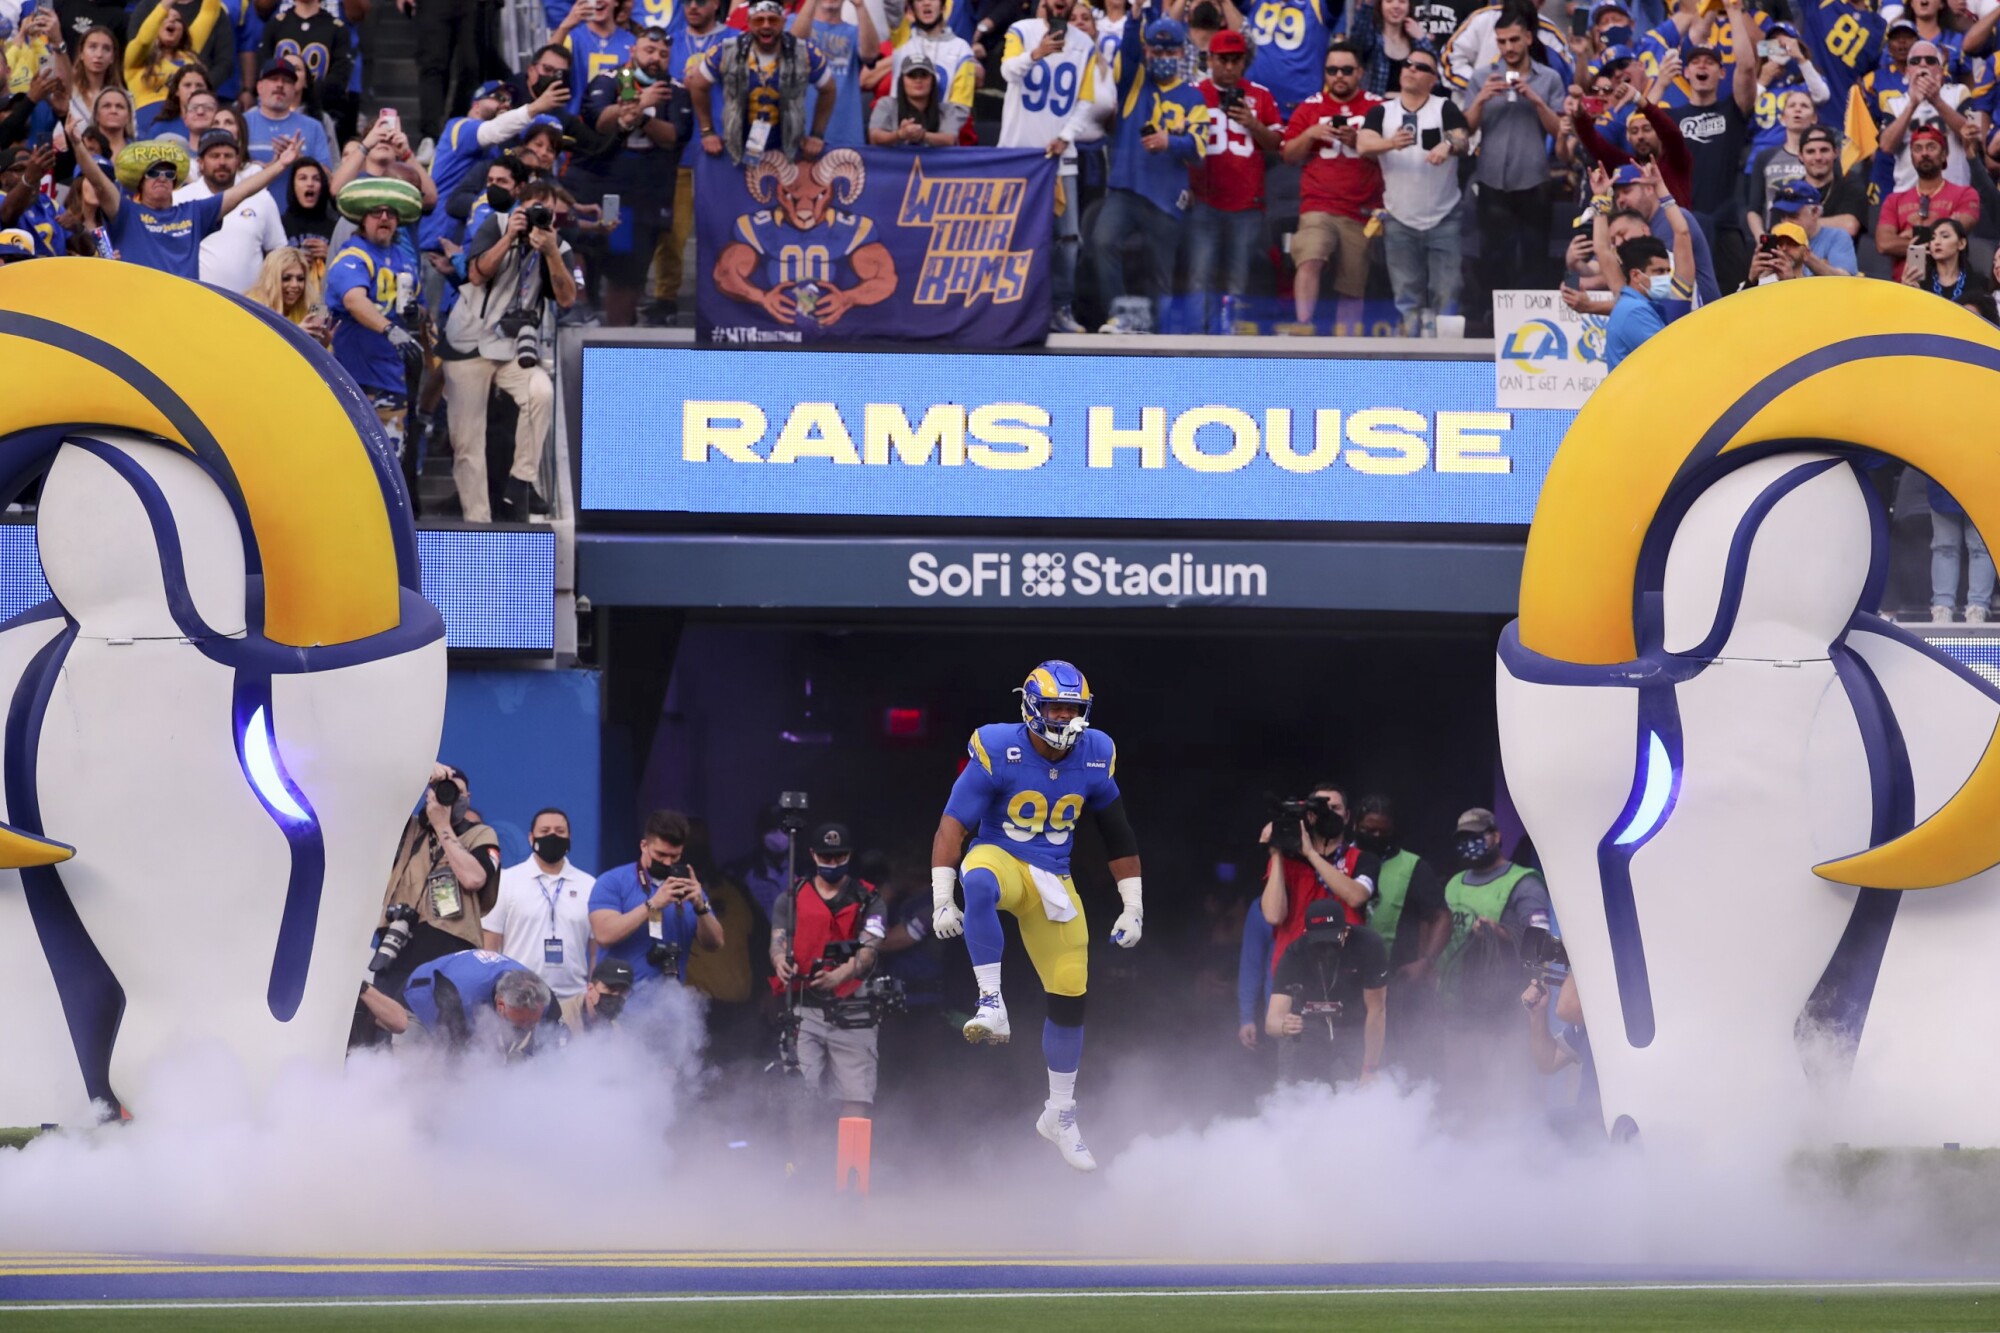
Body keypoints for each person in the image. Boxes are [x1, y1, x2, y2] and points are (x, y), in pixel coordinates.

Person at [929, 660, 1144, 1172]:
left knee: (1071, 989)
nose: (1065, 718)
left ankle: (1060, 1114)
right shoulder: (997, 745)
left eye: (1073, 709)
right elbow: (953, 825)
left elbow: (1117, 831)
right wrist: (941, 897)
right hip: (1002, 858)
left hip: (1054, 878)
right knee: (978, 879)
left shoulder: (1096, 752)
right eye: (1055, 707)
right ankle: (990, 1001)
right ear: (1030, 706)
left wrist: (1133, 905)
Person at [438, 176, 577, 521]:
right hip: (468, 343)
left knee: (540, 392)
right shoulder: (496, 225)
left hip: (513, 348)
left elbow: (567, 299)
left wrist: (550, 252)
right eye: (532, 210)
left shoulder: (557, 247)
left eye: (547, 213)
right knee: (467, 441)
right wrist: (510, 237)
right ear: (518, 208)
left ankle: (522, 479)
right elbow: (476, 274)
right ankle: (478, 521)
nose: (538, 219)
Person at [356, 762, 505, 1039]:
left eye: (456, 792)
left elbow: (473, 878)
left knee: (441, 1035)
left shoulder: (480, 834)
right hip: (398, 943)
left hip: (450, 946)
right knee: (387, 1029)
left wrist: (442, 826)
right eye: (440, 790)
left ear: (468, 798)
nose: (448, 798)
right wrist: (419, 770)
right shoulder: (408, 828)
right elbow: (374, 794)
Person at [1089, 15, 1206, 334]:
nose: (1163, 57)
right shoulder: (1133, 81)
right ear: (1147, 51)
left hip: (1166, 195)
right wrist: (1136, 15)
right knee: (1102, 242)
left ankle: (1160, 333)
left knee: (1161, 273)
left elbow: (1200, 148)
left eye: (1170, 52)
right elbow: (1128, 51)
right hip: (1125, 190)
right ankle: (1120, 316)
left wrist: (1171, 142)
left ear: (1181, 53)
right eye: (1156, 51)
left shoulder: (1194, 97)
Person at [1000, 0, 1105, 333]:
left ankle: (1060, 308)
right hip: (1019, 155)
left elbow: (1086, 101)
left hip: (1061, 157)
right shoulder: (1021, 31)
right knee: (1015, 236)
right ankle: (1012, 309)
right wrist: (1036, 53)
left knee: (1069, 237)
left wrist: (1065, 136)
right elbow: (1006, 72)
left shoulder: (1085, 44)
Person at [771, 822, 889, 1120]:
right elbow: (777, 942)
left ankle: (851, 1153)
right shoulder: (791, 897)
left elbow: (869, 950)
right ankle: (800, 1152)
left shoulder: (869, 899)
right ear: (813, 854)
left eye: (839, 856)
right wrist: (780, 961)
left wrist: (840, 975)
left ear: (849, 855)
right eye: (826, 856)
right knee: (797, 1095)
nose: (833, 863)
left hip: (854, 1009)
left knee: (855, 1094)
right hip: (803, 1007)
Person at [575, 26, 691, 327]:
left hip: (650, 191)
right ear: (632, 51)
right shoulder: (611, 79)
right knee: (592, 249)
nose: (656, 58)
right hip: (610, 188)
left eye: (663, 54)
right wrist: (641, 101)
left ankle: (619, 329)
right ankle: (581, 311)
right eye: (649, 51)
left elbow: (674, 136)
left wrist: (638, 115)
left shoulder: (675, 90)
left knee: (630, 269)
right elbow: (599, 121)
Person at [74, 131, 301, 278]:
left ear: (175, 182)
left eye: (168, 174)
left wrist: (280, 165)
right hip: (138, 306)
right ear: (140, 183)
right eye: (153, 173)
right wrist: (76, 143)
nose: (162, 178)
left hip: (183, 308)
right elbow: (98, 181)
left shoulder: (194, 212)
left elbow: (242, 191)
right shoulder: (126, 212)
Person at [1358, 46, 1466, 336]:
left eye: (1421, 67)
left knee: (1448, 291)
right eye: (1408, 64)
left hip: (1444, 217)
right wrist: (1390, 143)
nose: (1412, 69)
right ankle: (1411, 354)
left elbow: (1462, 138)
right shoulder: (1382, 111)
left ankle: (1448, 355)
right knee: (1406, 296)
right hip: (1399, 218)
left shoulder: (1444, 107)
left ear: (1433, 80)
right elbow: (1363, 144)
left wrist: (1447, 145)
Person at [1281, 41, 1383, 334]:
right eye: (1332, 70)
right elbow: (1288, 155)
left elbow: (1394, 154)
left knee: (1352, 285)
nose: (1339, 76)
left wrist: (1358, 142)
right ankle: (1303, 328)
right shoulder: (1310, 106)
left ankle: (1346, 346)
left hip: (1361, 210)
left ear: (1360, 72)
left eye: (1347, 70)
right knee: (1310, 258)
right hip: (1318, 205)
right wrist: (1310, 134)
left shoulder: (1377, 107)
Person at [1461, 12, 1564, 294]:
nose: (1508, 47)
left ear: (1528, 38)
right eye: (1502, 41)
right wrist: (1480, 99)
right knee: (1493, 259)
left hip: (1534, 180)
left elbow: (1559, 131)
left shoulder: (1550, 78)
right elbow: (1466, 129)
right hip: (1491, 180)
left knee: (1535, 258)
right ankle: (1491, 316)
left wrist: (1536, 100)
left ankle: (1533, 317)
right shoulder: (1481, 77)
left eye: (1514, 40)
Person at [1188, 29, 1280, 335]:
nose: (1229, 67)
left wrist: (1252, 123)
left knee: (1238, 280)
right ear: (1210, 59)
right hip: (1204, 200)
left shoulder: (1261, 95)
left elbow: (1277, 146)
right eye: (1223, 59)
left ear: (1244, 62)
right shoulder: (1193, 93)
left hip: (1246, 204)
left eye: (1236, 60)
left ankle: (1231, 342)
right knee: (1200, 276)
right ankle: (1196, 343)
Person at [325, 178, 423, 458]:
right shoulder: (352, 256)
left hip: (392, 377)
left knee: (391, 462)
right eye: (376, 212)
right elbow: (354, 300)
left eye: (390, 213)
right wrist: (390, 329)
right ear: (363, 219)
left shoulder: (405, 260)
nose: (384, 218)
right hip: (352, 376)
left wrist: (416, 315)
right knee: (350, 459)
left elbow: (421, 308)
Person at [1438, 807, 1553, 1023]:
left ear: (1496, 836)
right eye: (1463, 838)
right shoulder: (1454, 883)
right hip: (1453, 1003)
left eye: (1476, 836)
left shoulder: (1525, 883)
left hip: (1500, 1007)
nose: (1469, 843)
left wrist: (1499, 932)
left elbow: (1540, 942)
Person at [589, 808, 726, 988]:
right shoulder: (612, 881)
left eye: (675, 856)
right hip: (619, 999)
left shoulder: (686, 886)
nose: (667, 862)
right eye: (661, 854)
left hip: (670, 998)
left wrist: (701, 907)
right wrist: (653, 904)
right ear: (644, 846)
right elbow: (604, 935)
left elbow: (715, 944)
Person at [687, 0, 835, 165]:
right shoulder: (728, 50)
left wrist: (817, 134)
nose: (766, 25)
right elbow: (698, 85)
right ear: (749, 22)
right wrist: (707, 131)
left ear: (783, 22)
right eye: (759, 20)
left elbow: (828, 89)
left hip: (788, 153)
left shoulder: (803, 52)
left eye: (773, 20)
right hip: (736, 150)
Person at [1265, 898, 1389, 1085]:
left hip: (1358, 1027)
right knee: (1303, 1090)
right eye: (1319, 942)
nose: (1326, 947)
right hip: (1312, 1029)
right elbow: (1271, 1022)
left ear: (1345, 931)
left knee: (1370, 1087)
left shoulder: (1368, 944)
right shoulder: (1295, 953)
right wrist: (1284, 1026)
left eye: (1332, 940)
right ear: (1306, 934)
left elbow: (1376, 1010)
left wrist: (1370, 1068)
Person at [1258, 782, 1378, 975]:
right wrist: (1276, 852)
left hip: (1346, 972)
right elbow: (1273, 916)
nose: (1328, 813)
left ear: (1347, 816)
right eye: (1321, 808)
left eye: (1335, 808)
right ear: (1310, 816)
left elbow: (1357, 896)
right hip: (1294, 972)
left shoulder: (1363, 859)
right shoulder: (1287, 862)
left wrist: (1311, 854)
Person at [481, 807, 599, 998]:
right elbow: (490, 943)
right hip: (518, 998)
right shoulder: (507, 881)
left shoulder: (589, 885)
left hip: (574, 997)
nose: (552, 836)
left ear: (569, 838)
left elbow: (596, 949)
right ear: (531, 838)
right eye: (545, 831)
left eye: (560, 831)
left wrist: (594, 991)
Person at [361, 949, 558, 1056]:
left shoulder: (544, 998)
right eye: (519, 1026)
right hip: (421, 998)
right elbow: (456, 1060)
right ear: (500, 1006)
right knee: (419, 1078)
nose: (525, 1030)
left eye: (532, 1023)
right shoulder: (460, 998)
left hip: (465, 991)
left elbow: (554, 1048)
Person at [172, 127, 285, 292]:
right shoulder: (180, 199)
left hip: (251, 302)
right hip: (197, 299)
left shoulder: (262, 198)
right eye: (214, 156)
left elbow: (277, 252)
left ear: (238, 161)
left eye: (228, 156)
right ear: (200, 162)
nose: (222, 162)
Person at [1877, 123, 1980, 281]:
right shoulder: (1894, 200)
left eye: (1931, 147)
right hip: (1904, 285)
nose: (1924, 153)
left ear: (1944, 154)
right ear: (1912, 158)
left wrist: (1908, 237)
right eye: (1918, 149)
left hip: (1948, 285)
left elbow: (1956, 232)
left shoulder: (1965, 194)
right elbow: (1884, 244)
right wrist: (1937, 238)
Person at [794, 0, 877, 150]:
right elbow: (794, 42)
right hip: (799, 133)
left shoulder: (855, 32)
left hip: (845, 134)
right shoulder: (794, 21)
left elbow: (870, 54)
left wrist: (860, 6)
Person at [242, 57, 332, 186]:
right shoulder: (241, 123)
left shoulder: (313, 127)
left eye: (287, 81)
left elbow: (329, 180)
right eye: (273, 79)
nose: (280, 85)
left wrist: (299, 158)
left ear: (294, 89)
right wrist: (263, 168)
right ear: (259, 87)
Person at [125, 0, 218, 112]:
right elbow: (144, 41)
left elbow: (209, 13)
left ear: (183, 30)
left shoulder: (190, 51)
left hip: (185, 117)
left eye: (177, 20)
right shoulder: (137, 56)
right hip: (147, 117)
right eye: (165, 17)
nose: (172, 20)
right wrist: (167, 3)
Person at [1927, 473, 1993, 623]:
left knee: (1980, 547)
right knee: (1945, 547)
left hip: (1983, 481)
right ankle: (1942, 608)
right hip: (1944, 481)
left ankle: (1978, 608)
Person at [868, 52, 963, 144]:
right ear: (902, 81)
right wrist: (900, 134)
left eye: (924, 75)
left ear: (933, 80)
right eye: (912, 75)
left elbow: (950, 139)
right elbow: (874, 136)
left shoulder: (947, 110)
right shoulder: (886, 104)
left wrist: (921, 135)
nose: (918, 80)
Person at [244, 245, 332, 343]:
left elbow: (316, 349)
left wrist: (323, 343)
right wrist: (294, 333)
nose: (295, 285)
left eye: (300, 279)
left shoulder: (313, 304)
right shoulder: (252, 306)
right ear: (271, 280)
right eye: (286, 278)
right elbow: (251, 347)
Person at [1903, 214, 1990, 311]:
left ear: (1961, 243)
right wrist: (1906, 291)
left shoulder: (1978, 282)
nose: (1937, 242)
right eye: (1932, 238)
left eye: (1945, 236)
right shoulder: (1921, 282)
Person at [558, 956, 634, 1037]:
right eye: (610, 989)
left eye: (622, 992)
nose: (616, 996)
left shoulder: (617, 1030)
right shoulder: (561, 1017)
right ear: (590, 988)